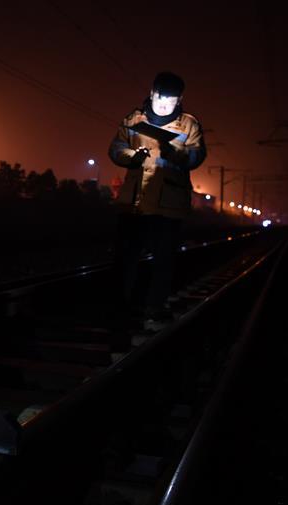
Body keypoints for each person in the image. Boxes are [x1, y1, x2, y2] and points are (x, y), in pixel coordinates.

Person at [108, 71, 206, 327]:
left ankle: (153, 308)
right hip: (135, 204)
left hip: (167, 206)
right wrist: (132, 156)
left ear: (179, 99)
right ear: (151, 93)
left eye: (170, 100)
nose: (163, 103)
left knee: (163, 262)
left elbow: (197, 157)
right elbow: (116, 148)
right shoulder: (133, 119)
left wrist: (175, 154)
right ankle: (121, 308)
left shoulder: (189, 125)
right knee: (125, 260)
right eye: (160, 97)